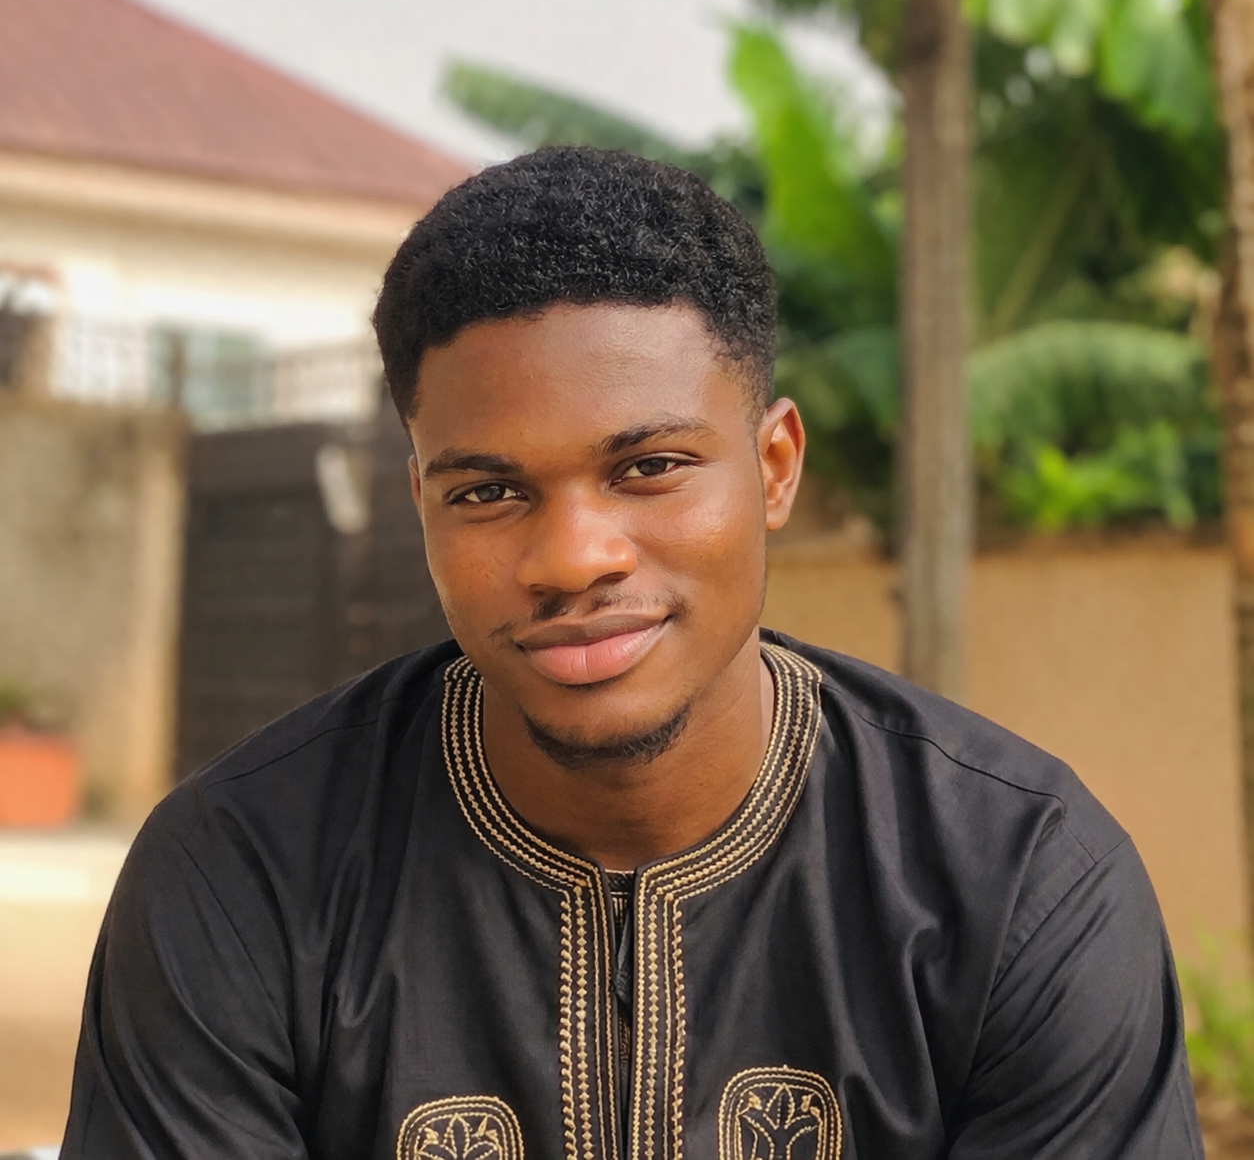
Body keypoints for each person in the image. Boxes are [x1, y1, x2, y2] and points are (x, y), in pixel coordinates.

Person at [62, 147, 1201, 1160]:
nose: (572, 558)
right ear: (422, 507)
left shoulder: (1017, 881)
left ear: (775, 467)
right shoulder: (245, 875)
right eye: (489, 491)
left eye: (649, 468)